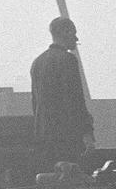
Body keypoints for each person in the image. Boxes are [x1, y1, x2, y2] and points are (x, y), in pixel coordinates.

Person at [30, 16, 94, 170]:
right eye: (73, 33)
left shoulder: (37, 63)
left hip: (44, 139)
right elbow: (75, 100)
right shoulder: (68, 60)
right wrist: (87, 133)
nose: (76, 38)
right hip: (67, 138)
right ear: (65, 32)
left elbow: (35, 104)